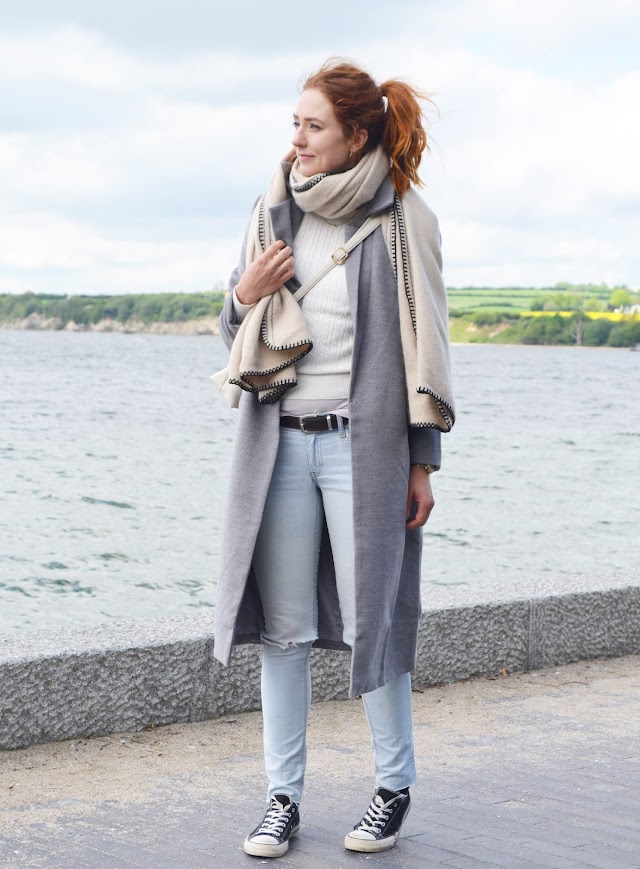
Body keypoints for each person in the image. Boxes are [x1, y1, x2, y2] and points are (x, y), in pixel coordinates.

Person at [212, 58, 455, 858]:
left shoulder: (403, 219)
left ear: (356, 135)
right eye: (295, 123)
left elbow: (426, 348)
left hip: (365, 447)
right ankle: (281, 798)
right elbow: (232, 330)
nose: (298, 140)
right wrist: (245, 294)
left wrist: (422, 461)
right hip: (279, 445)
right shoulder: (273, 210)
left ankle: (393, 786)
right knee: (283, 631)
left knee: (371, 619)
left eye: (314, 126)